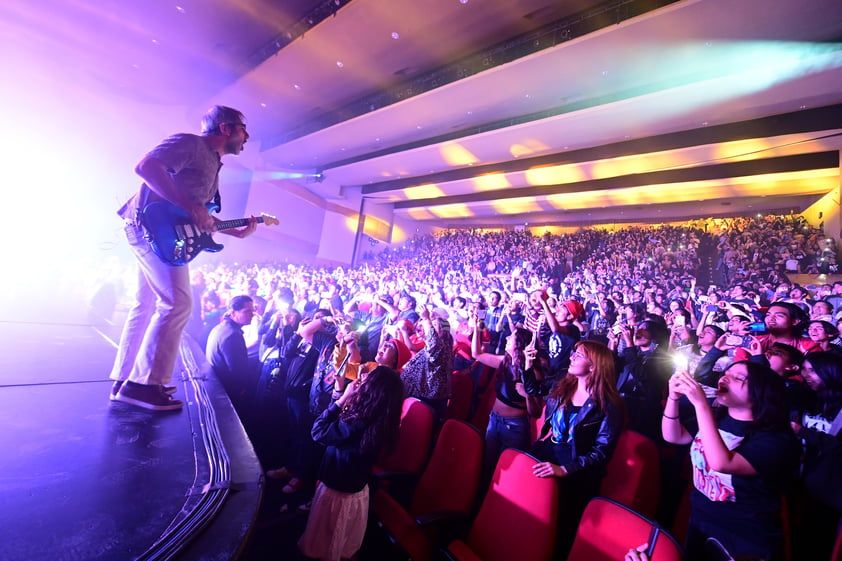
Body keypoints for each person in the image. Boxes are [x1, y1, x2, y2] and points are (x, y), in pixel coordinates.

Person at [110, 105, 256, 411]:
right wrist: (191, 207)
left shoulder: (213, 164)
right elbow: (147, 167)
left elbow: (196, 216)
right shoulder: (191, 143)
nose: (247, 135)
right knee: (178, 303)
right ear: (226, 128)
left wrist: (234, 231)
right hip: (148, 227)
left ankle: (125, 380)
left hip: (156, 231)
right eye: (243, 128)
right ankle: (143, 385)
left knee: (146, 304)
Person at [663, 362, 799, 561]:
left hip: (745, 536)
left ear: (761, 392)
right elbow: (673, 436)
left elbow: (722, 464)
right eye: (725, 374)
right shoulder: (717, 420)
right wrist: (673, 397)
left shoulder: (776, 440)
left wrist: (701, 405)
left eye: (737, 378)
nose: (723, 379)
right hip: (701, 521)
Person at [526, 340, 625, 559]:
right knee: (533, 516)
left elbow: (601, 452)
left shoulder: (608, 404)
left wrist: (565, 469)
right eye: (573, 354)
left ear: (594, 366)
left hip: (576, 472)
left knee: (560, 529)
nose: (571, 358)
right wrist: (528, 363)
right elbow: (533, 388)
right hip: (547, 454)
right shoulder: (563, 384)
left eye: (578, 356)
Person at [298, 365, 404, 561]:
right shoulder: (380, 418)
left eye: (368, 376)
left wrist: (342, 399)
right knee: (344, 542)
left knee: (328, 544)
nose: (362, 375)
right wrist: (341, 391)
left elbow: (319, 431)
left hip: (338, 490)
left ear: (372, 389)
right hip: (354, 487)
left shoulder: (359, 422)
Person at [205, 295, 258, 424]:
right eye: (247, 311)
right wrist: (245, 389)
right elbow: (239, 372)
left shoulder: (222, 327)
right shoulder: (233, 336)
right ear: (233, 313)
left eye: (252, 310)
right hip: (230, 391)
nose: (252, 314)